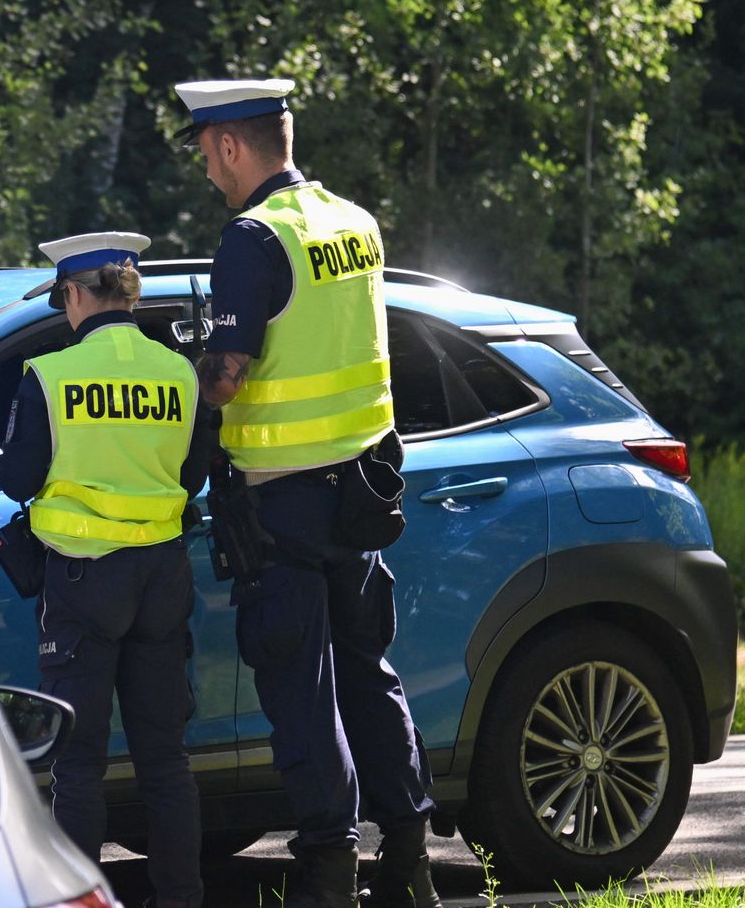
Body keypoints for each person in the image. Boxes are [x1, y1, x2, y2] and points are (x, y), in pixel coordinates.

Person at [170, 78, 442, 908]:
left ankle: (328, 872)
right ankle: (406, 860)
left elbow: (223, 379)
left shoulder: (251, 239)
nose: (209, 173)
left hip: (283, 501)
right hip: (360, 492)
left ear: (229, 146)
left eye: (207, 156)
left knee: (301, 687)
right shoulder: (352, 223)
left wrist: (173, 376)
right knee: (368, 674)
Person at [0, 231, 217, 908]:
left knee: (79, 764)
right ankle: (180, 899)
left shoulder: (50, 375)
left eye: (62, 298)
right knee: (165, 761)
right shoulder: (180, 373)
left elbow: (16, 479)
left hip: (84, 583)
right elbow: (194, 473)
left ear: (73, 294)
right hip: (161, 578)